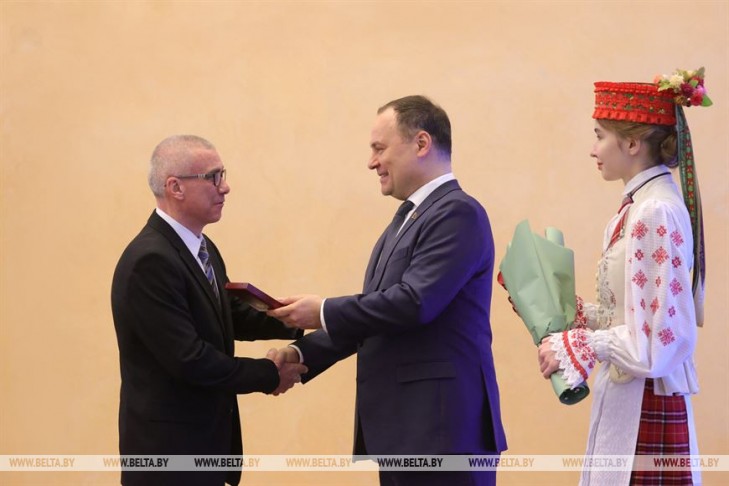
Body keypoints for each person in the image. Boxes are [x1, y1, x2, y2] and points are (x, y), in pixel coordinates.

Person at [268, 95, 507, 486]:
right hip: (408, 433)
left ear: (421, 143)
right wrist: (301, 353)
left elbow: (414, 303)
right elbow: (376, 318)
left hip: (442, 434)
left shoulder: (457, 212)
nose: (371, 162)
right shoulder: (408, 218)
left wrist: (323, 310)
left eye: (379, 148)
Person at [537, 69, 710, 485]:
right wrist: (579, 315)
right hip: (630, 394)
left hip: (647, 400)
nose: (592, 149)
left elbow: (657, 342)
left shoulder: (654, 211)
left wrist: (583, 343)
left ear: (632, 143)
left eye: (600, 136)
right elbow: (633, 316)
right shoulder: (639, 206)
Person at [111, 135, 307, 486]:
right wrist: (268, 374)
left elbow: (226, 315)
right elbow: (190, 359)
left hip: (203, 448)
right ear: (175, 187)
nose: (225, 187)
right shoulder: (150, 261)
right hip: (169, 458)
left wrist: (294, 319)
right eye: (213, 177)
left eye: (223, 175)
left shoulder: (200, 246)